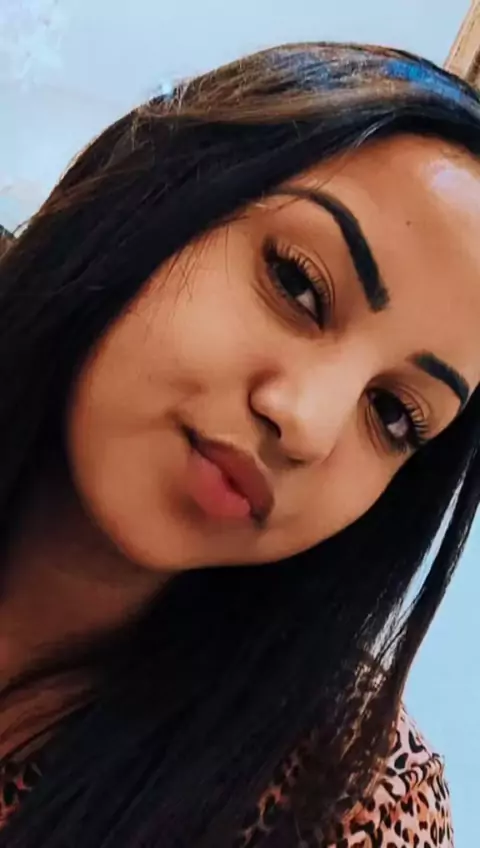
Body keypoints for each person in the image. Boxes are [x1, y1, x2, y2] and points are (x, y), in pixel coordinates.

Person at [0, 40, 478, 848]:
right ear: (159, 196)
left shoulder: (351, 797)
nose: (308, 425)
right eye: (299, 285)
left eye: (395, 414)